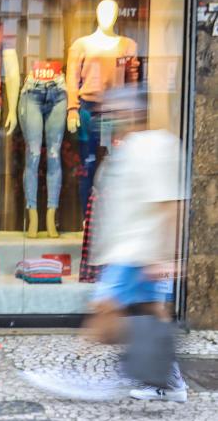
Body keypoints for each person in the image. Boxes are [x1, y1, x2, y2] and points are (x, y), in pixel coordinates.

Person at [23, 84, 187, 403]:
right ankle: (170, 379)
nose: (111, 116)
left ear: (135, 112)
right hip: (130, 249)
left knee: (105, 309)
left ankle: (80, 374)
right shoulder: (132, 146)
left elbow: (169, 204)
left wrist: (164, 256)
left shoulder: (156, 147)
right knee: (152, 312)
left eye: (117, 110)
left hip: (138, 250)